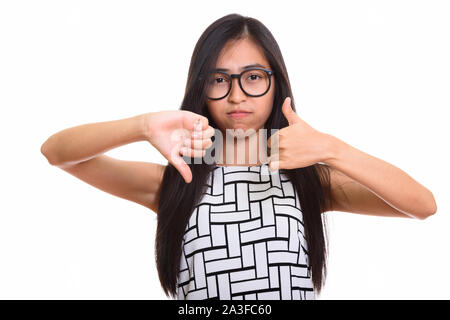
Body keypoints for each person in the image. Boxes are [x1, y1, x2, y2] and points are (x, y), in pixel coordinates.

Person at [41, 13, 437, 300]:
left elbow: (422, 205)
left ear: (275, 82)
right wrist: (143, 125)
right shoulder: (178, 180)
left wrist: (333, 149)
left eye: (252, 77)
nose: (236, 95)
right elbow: (57, 153)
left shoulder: (305, 179)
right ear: (202, 86)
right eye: (219, 79)